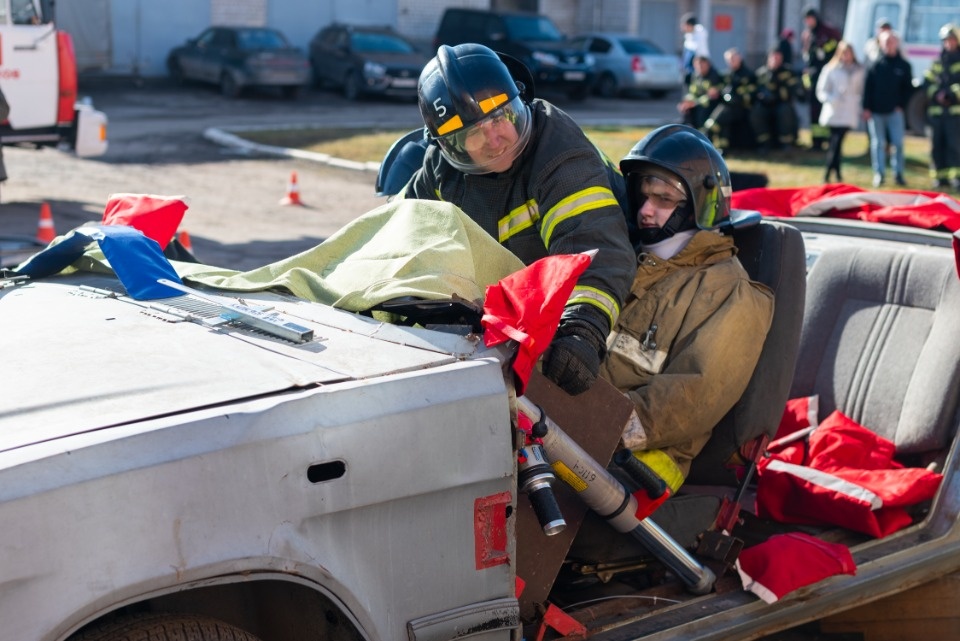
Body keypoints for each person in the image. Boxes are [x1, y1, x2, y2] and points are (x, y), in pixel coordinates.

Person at [403, 43, 637, 396]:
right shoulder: (441, 169)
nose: (495, 140)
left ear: (518, 102)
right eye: (473, 133)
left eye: (500, 118)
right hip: (507, 317)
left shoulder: (559, 154)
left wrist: (582, 329)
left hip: (609, 300)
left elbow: (594, 246)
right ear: (449, 145)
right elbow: (401, 230)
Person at [599, 124, 775, 493]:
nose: (646, 210)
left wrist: (589, 426)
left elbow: (691, 398)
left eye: (664, 198)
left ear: (700, 203)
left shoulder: (730, 290)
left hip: (640, 469)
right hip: (575, 442)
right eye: (643, 195)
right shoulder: (627, 259)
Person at [862, 30, 913, 187]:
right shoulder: (875, 65)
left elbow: (908, 90)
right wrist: (866, 108)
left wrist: (901, 106)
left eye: (892, 41)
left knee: (897, 143)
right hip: (876, 112)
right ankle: (879, 173)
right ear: (881, 45)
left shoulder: (904, 66)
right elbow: (867, 88)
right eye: (886, 42)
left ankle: (898, 173)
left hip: (894, 112)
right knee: (878, 143)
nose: (889, 45)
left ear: (896, 43)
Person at [816, 41, 865, 183]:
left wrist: (858, 103)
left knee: (838, 142)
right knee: (835, 142)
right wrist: (833, 98)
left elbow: (860, 90)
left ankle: (832, 172)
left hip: (848, 111)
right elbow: (822, 90)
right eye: (843, 53)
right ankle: (832, 173)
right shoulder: (831, 69)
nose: (846, 56)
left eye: (848, 53)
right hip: (834, 110)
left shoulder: (859, 70)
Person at [923, 24, 960, 191]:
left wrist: (951, 95)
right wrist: (936, 94)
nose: (948, 43)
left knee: (955, 145)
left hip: (955, 113)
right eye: (946, 40)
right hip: (937, 113)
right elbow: (926, 83)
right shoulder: (937, 62)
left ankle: (957, 178)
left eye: (951, 40)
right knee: (937, 146)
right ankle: (940, 177)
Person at [801, 7, 842, 151]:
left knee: (825, 108)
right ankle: (816, 141)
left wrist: (824, 50)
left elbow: (837, 44)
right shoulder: (807, 34)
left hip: (826, 74)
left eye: (810, 18)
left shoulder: (828, 31)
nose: (809, 22)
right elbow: (806, 54)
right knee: (813, 110)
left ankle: (828, 140)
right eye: (806, 20)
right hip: (812, 76)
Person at [703, 47, 758, 152]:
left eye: (733, 59)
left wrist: (736, 97)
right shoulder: (727, 75)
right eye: (729, 60)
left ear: (740, 58)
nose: (731, 62)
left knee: (716, 121)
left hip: (742, 108)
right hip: (727, 107)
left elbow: (751, 94)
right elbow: (722, 90)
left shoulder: (748, 75)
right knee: (714, 122)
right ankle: (717, 147)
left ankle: (715, 146)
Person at [751, 47, 802, 150]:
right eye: (773, 58)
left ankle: (786, 143)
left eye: (778, 58)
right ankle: (764, 142)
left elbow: (795, 90)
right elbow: (754, 90)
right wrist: (761, 95)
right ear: (768, 58)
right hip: (765, 104)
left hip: (782, 103)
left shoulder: (788, 72)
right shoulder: (761, 73)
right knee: (756, 112)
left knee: (784, 111)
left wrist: (779, 88)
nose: (775, 60)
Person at [677, 55, 724, 130]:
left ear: (708, 64)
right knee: (685, 111)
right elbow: (691, 92)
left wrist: (694, 103)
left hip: (710, 106)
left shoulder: (714, 76)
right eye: (697, 65)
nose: (700, 67)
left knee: (700, 112)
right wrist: (686, 102)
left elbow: (712, 95)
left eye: (702, 64)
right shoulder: (695, 76)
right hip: (696, 104)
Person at [681, 13, 710, 86]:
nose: (683, 28)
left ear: (690, 25)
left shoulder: (700, 35)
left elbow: (699, 54)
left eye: (685, 25)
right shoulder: (688, 36)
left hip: (697, 69)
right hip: (688, 69)